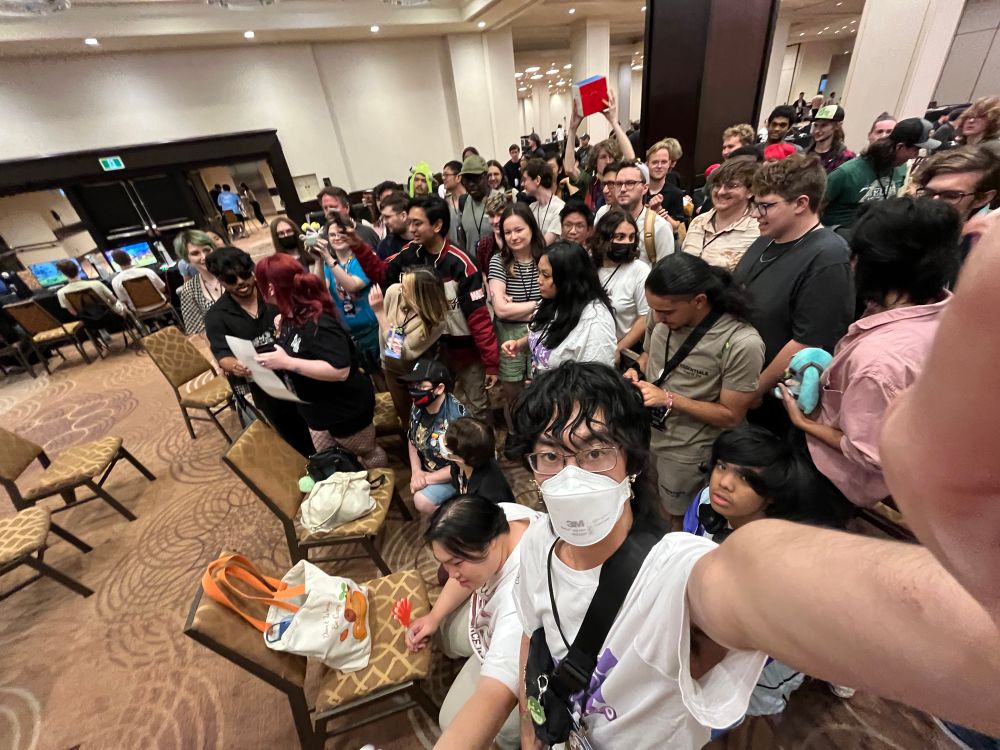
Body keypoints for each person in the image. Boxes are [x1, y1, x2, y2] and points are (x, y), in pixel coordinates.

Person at [507, 362, 765, 749]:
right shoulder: (538, 542)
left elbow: (761, 591)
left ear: (633, 460)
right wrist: (531, 729)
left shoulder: (675, 565)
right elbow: (532, 633)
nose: (570, 477)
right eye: (550, 457)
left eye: (594, 453)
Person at [780, 197, 959, 509]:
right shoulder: (946, 306)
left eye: (858, 255)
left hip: (836, 476)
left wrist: (803, 422)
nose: (851, 263)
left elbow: (868, 454)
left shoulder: (880, 361)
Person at [682, 425, 848, 718]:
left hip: (767, 654)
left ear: (771, 496)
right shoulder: (707, 501)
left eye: (747, 478)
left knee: (740, 710)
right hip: (711, 625)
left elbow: (775, 642)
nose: (724, 483)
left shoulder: (787, 561)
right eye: (722, 466)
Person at [626, 253, 764, 521]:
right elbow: (648, 356)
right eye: (654, 309)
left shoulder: (741, 342)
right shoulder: (660, 316)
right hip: (649, 433)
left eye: (667, 311)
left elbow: (731, 415)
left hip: (687, 450)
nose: (658, 318)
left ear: (699, 301)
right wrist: (635, 370)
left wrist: (668, 399)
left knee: (675, 514)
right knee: (650, 495)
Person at [348, 194, 499, 422]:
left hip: (465, 352)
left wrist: (491, 363)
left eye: (417, 223)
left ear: (437, 225)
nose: (411, 228)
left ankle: (482, 450)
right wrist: (358, 246)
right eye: (409, 222)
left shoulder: (461, 264)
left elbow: (479, 319)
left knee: (476, 406)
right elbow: (382, 273)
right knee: (436, 404)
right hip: (428, 349)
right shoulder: (411, 254)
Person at [407, 495, 542, 750]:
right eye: (446, 564)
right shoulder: (502, 514)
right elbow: (458, 577)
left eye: (456, 563)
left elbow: (491, 698)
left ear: (490, 543)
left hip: (531, 664)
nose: (451, 573)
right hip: (488, 617)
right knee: (442, 634)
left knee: (452, 721)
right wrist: (434, 617)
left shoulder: (521, 603)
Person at [732, 155, 853, 434]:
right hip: (741, 382)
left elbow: (807, 341)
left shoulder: (827, 256)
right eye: (755, 204)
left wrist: (752, 391)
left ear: (801, 203)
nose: (755, 214)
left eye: (766, 206)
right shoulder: (766, 240)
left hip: (775, 402)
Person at [254, 253, 386, 468]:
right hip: (314, 408)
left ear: (269, 288)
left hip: (343, 407)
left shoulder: (317, 320)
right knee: (332, 460)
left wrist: (287, 362)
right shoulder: (287, 316)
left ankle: (384, 492)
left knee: (367, 454)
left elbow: (340, 369)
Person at [203, 247, 314, 457]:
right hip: (266, 385)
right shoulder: (216, 316)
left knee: (322, 421)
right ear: (220, 280)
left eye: (245, 275)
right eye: (230, 279)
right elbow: (221, 354)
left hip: (302, 369)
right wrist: (234, 365)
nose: (240, 283)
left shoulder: (273, 295)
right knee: (294, 435)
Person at [501, 240, 616, 373]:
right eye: (539, 272)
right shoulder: (553, 299)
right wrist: (521, 344)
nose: (539, 280)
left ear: (568, 279)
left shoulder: (596, 324)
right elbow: (548, 332)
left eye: (546, 275)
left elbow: (595, 382)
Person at [821, 117, 939, 227]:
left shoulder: (901, 169)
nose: (916, 155)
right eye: (916, 149)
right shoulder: (847, 173)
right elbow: (816, 208)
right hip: (842, 238)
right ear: (900, 147)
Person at [369, 267, 449, 427]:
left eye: (406, 288)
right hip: (390, 368)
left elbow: (403, 352)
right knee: (406, 416)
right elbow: (385, 341)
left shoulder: (436, 318)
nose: (400, 288)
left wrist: (380, 314)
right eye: (401, 281)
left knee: (428, 416)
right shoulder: (394, 292)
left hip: (417, 373)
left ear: (420, 295)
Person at [490, 203, 545, 422]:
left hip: (542, 331)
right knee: (512, 393)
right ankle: (515, 435)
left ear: (531, 227)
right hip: (508, 334)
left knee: (540, 388)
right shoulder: (499, 260)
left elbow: (557, 305)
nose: (513, 237)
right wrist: (541, 305)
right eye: (507, 232)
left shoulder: (546, 257)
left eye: (519, 230)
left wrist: (518, 309)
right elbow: (502, 310)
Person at [314, 219, 382, 383]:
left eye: (341, 233)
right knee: (373, 378)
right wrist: (318, 260)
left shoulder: (363, 258)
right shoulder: (327, 265)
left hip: (375, 330)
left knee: (388, 373)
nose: (336, 237)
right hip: (352, 334)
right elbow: (319, 291)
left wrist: (328, 259)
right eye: (332, 235)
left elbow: (352, 286)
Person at [399, 358, 466, 512]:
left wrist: (426, 479)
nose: (414, 391)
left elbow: (462, 464)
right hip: (431, 467)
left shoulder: (456, 421)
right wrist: (416, 471)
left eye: (421, 386)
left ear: (439, 388)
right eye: (412, 386)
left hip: (457, 473)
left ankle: (455, 519)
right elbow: (412, 439)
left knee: (421, 501)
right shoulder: (418, 406)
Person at [590, 209, 649, 366]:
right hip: (588, 349)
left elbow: (645, 317)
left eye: (631, 237)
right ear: (604, 237)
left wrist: (618, 348)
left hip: (620, 353)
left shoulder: (639, 270)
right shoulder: (589, 266)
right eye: (620, 237)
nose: (627, 242)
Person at [682, 158, 760, 271]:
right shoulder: (698, 222)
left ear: (750, 191)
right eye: (717, 185)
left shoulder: (758, 230)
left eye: (732, 186)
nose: (721, 192)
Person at [564, 89, 636, 211]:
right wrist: (572, 129)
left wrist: (613, 121)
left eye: (611, 157)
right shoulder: (590, 181)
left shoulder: (621, 181)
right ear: (595, 161)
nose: (608, 161)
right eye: (603, 157)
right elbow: (570, 169)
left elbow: (631, 159)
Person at [912, 145, 999, 240]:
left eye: (951, 196)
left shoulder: (984, 246)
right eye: (929, 193)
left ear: (982, 199)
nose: (934, 201)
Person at [605, 162, 675, 263]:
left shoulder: (659, 226)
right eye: (619, 184)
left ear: (645, 188)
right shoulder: (605, 219)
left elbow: (666, 273)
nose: (623, 189)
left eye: (630, 183)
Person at [54, 259, 126, 346]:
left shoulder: (61, 293)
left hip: (89, 324)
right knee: (122, 305)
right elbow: (114, 300)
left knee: (91, 314)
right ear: (78, 269)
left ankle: (101, 330)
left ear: (62, 274)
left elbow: (74, 312)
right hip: (111, 318)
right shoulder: (96, 283)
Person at [443, 418, 515, 504]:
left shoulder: (487, 494)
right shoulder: (460, 463)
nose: (442, 443)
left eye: (445, 445)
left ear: (460, 458)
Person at [175, 229, 224, 335]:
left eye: (207, 250)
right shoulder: (190, 289)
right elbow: (198, 332)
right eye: (195, 253)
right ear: (187, 258)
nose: (204, 257)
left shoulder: (237, 272)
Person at [457, 155, 498, 256]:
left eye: (475, 179)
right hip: (472, 268)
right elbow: (463, 240)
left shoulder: (500, 200)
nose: (470, 184)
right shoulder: (463, 201)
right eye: (466, 180)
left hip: (496, 268)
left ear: (487, 177)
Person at [521, 157, 565, 245]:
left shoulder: (560, 208)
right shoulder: (532, 207)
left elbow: (544, 244)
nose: (522, 184)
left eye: (525, 179)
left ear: (537, 180)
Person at [645, 139, 686, 231]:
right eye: (655, 162)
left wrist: (659, 210)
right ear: (647, 164)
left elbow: (676, 226)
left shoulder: (676, 193)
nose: (659, 166)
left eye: (663, 162)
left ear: (669, 164)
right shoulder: (639, 190)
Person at [806, 105, 855, 173]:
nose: (817, 130)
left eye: (824, 125)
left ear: (837, 126)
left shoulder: (846, 157)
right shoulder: (804, 153)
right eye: (816, 125)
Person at [477, 191, 511, 280]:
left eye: (500, 215)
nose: (495, 221)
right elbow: (483, 273)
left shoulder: (518, 241)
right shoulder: (484, 244)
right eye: (492, 215)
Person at [375, 191, 412, 261]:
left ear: (403, 216)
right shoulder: (384, 247)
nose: (384, 222)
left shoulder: (424, 239)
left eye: (387, 217)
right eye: (383, 218)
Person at [442, 160, 466, 246]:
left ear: (458, 177)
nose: (443, 178)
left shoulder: (470, 200)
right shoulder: (445, 204)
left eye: (447, 175)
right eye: (443, 175)